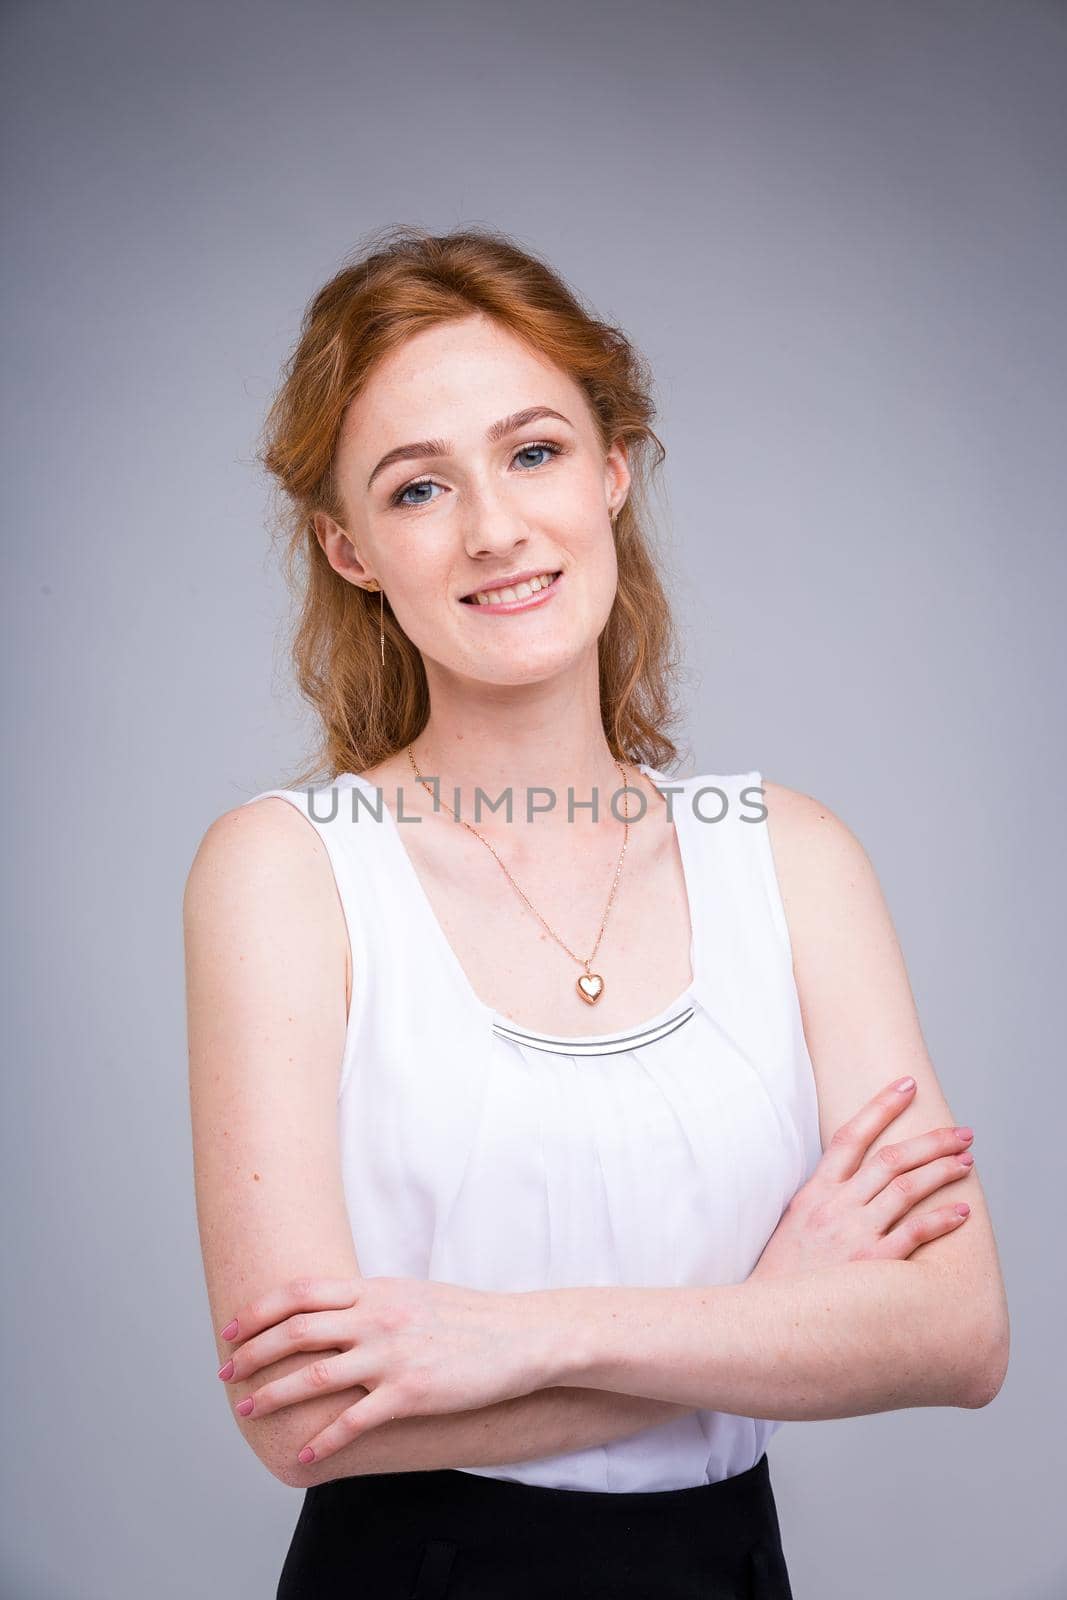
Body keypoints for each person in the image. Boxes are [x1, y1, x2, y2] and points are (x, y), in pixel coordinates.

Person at [184, 224, 1010, 1599]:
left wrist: (528, 1338)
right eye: (416, 488)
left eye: (532, 452)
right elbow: (302, 1418)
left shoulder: (795, 859)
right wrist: (769, 1323)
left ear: (614, 469)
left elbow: (959, 1333)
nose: (496, 526)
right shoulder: (284, 873)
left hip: (729, 1570)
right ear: (349, 550)